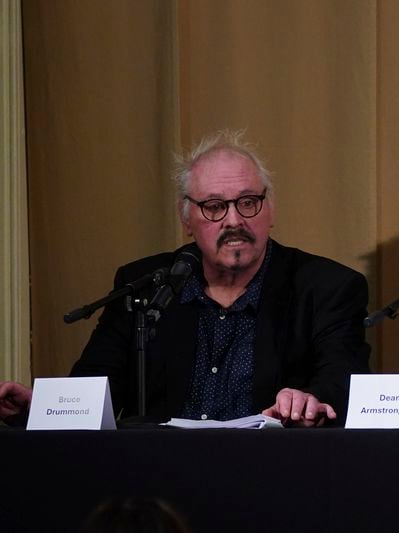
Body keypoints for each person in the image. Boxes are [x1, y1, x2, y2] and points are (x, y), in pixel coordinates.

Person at [0, 130, 370, 427]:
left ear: (269, 210)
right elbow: (98, 386)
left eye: (247, 202)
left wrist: (312, 399)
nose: (233, 221)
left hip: (272, 475)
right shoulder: (145, 284)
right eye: (214, 206)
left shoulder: (326, 287)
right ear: (187, 220)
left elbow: (343, 379)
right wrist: (43, 408)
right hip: (160, 480)